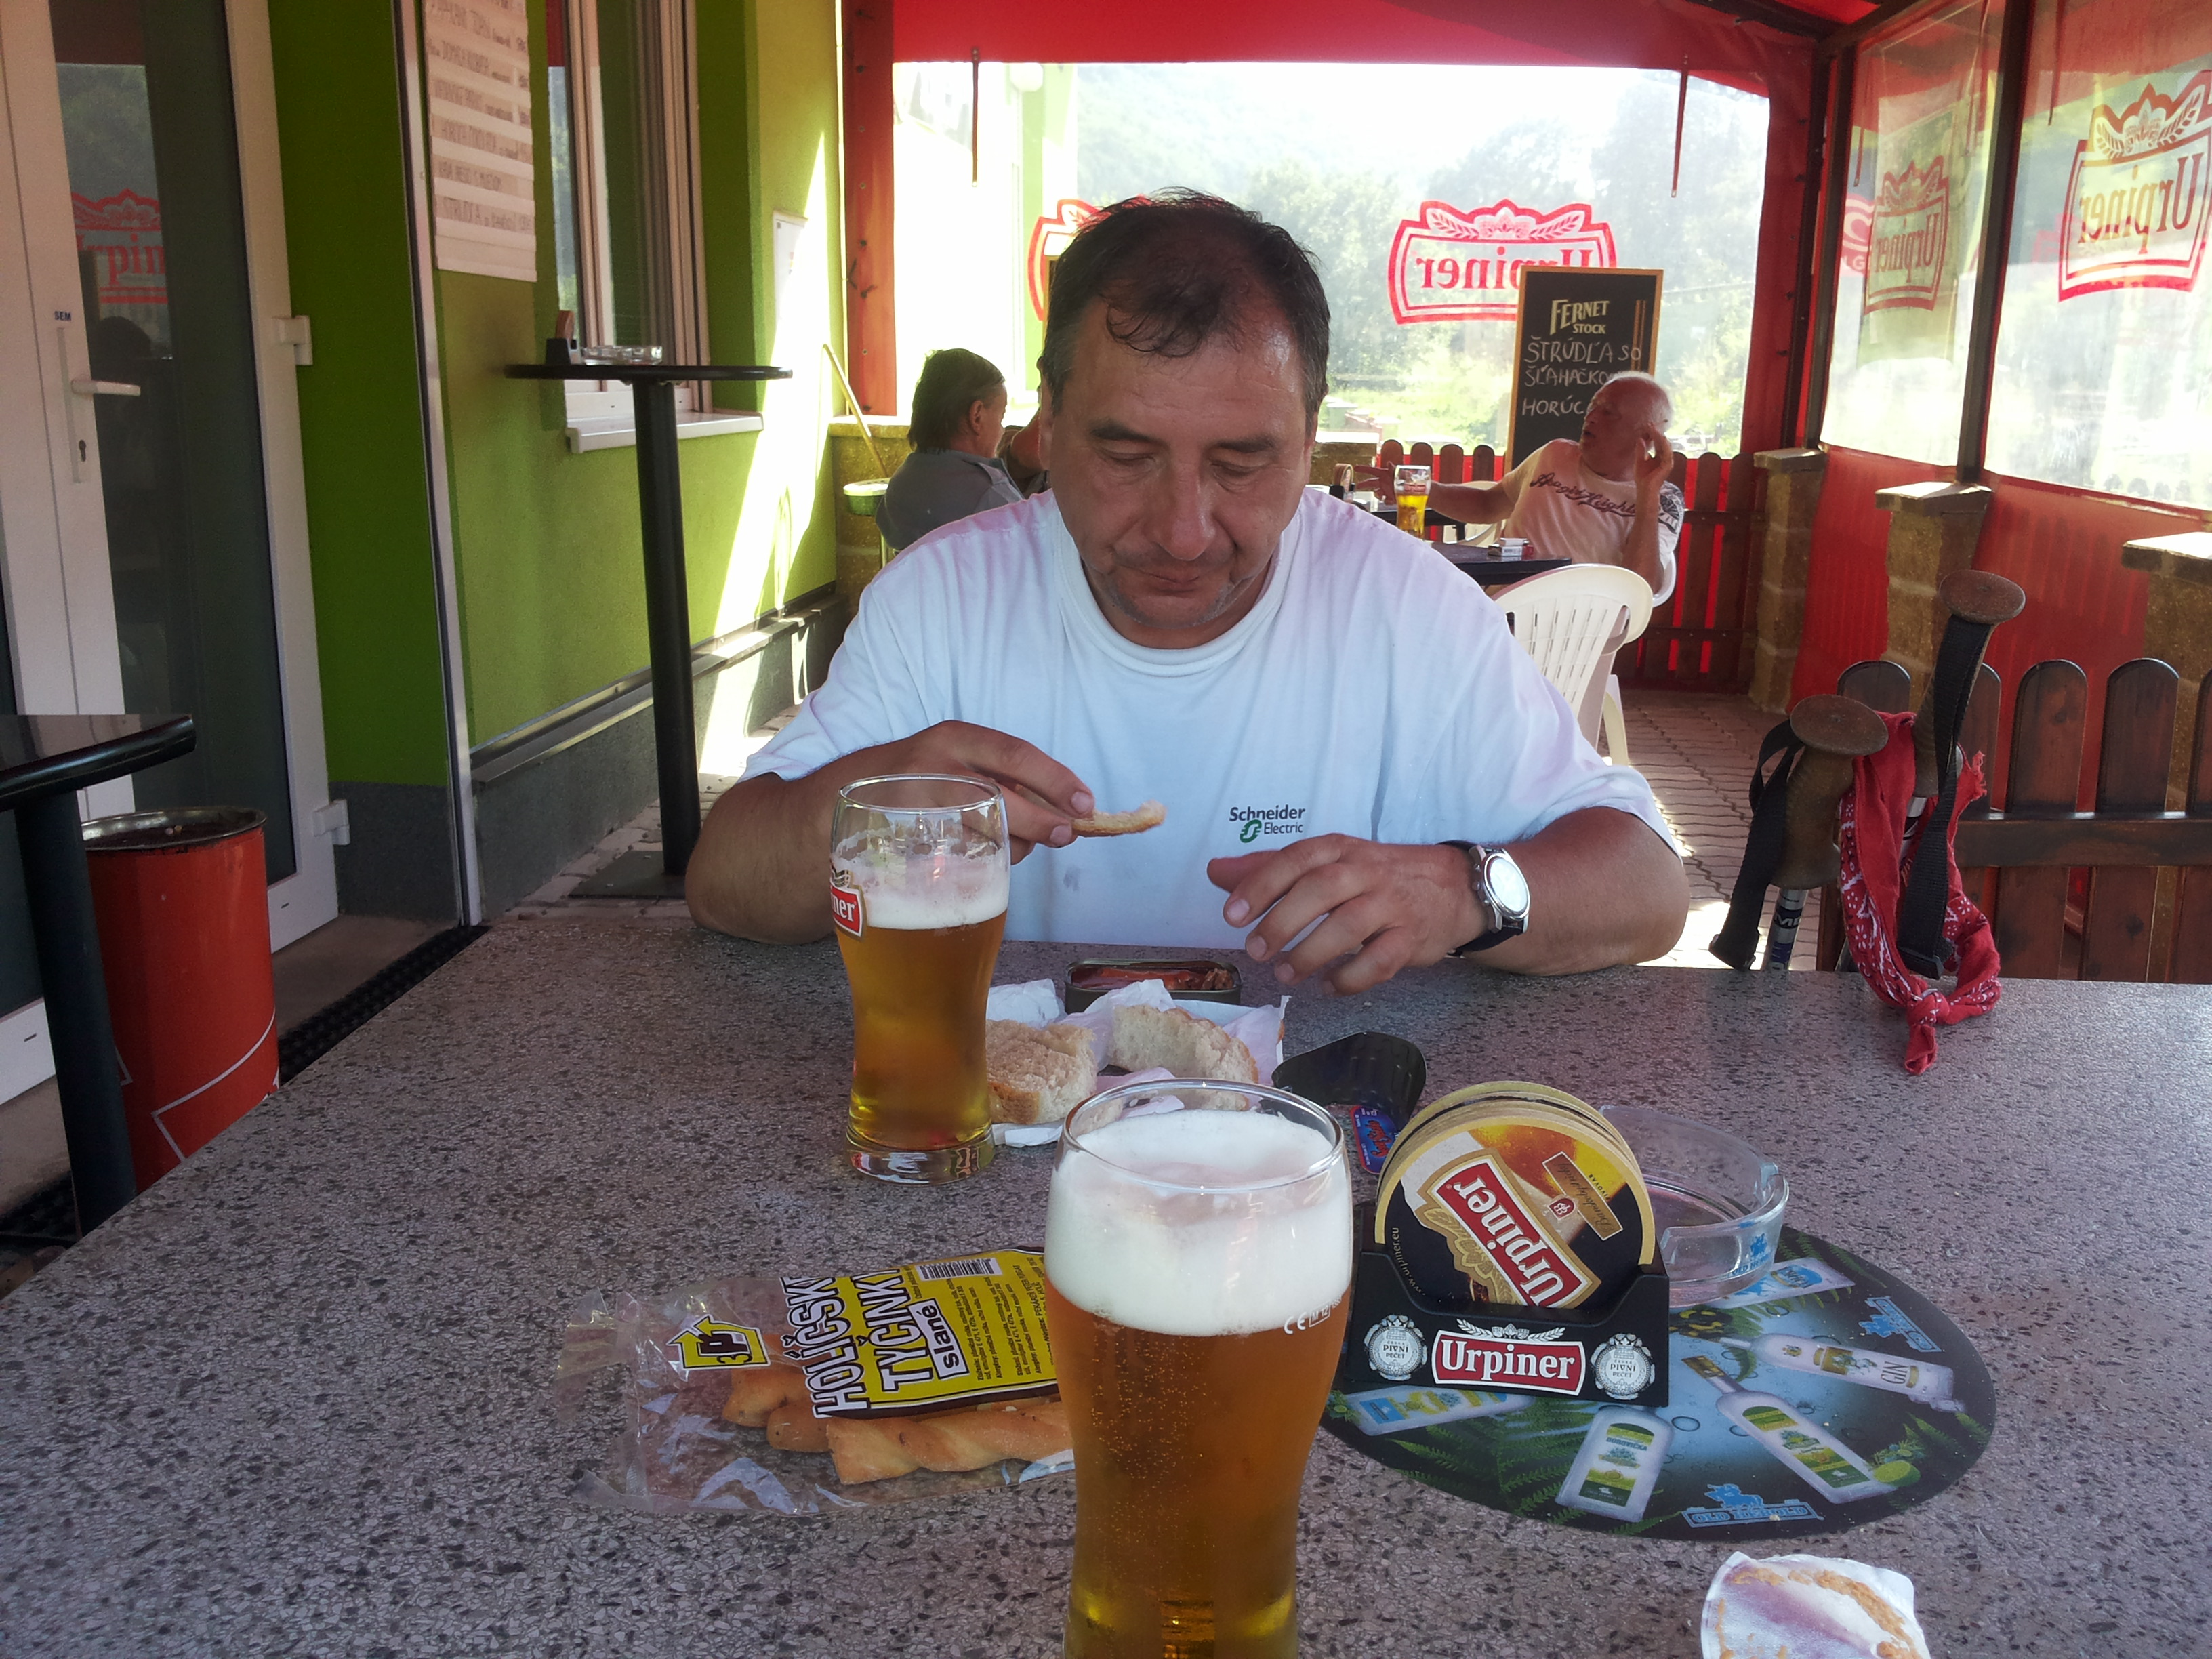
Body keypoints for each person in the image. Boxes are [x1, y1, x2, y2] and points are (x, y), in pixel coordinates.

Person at [687, 193, 1687, 993]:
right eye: (1126, 455)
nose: (1182, 531)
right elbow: (726, 881)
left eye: (1242, 463)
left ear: (1310, 441)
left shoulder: (1407, 608)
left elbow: (1647, 883)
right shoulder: (942, 601)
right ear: (1048, 422)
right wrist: (873, 811)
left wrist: (1466, 892)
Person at [1427, 374, 1686, 604]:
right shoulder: (1554, 455)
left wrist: (1647, 493)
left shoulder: (1663, 497)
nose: (1591, 417)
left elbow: (1641, 586)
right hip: (1500, 610)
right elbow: (1487, 505)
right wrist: (1423, 489)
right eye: (1592, 407)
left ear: (1647, 436)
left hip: (1579, 627)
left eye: (1608, 412)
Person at [877, 348, 1025, 552]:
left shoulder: (900, 483)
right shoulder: (991, 496)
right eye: (1001, 417)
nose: (1002, 430)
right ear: (977, 416)